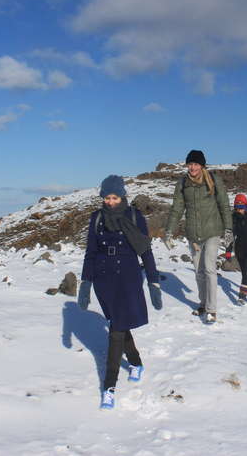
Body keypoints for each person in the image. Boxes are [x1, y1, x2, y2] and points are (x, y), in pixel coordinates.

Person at [78, 175, 162, 410]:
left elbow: (145, 251)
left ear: (122, 196)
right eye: (107, 197)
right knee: (119, 324)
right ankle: (136, 362)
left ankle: (109, 387)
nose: (110, 202)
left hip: (128, 277)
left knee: (116, 331)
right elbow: (90, 253)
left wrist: (153, 282)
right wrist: (85, 283)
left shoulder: (134, 217)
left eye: (114, 197)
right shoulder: (97, 219)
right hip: (104, 280)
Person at [164, 150, 232, 324]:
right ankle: (202, 303)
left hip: (212, 231)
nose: (192, 167)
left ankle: (211, 309)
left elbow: (224, 205)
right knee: (199, 271)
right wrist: (169, 231)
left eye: (196, 164)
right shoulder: (182, 184)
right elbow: (177, 208)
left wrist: (228, 229)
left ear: (202, 165)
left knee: (209, 268)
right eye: (190, 164)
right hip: (193, 234)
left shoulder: (214, 181)